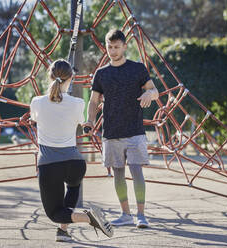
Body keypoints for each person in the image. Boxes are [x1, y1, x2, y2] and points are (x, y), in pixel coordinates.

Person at [30, 59, 113, 242]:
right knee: (73, 187)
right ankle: (63, 232)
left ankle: (88, 217)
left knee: (54, 213)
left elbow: (35, 118)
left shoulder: (37, 102)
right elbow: (76, 119)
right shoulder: (78, 103)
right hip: (75, 164)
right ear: (71, 79)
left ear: (49, 77)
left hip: (50, 165)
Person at [84, 29, 159, 228]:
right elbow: (93, 101)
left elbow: (155, 90)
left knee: (136, 171)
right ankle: (125, 214)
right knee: (118, 174)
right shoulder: (101, 74)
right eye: (110, 47)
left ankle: (141, 215)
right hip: (111, 131)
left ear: (125, 46)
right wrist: (90, 120)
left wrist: (148, 95)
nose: (113, 51)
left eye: (117, 47)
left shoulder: (137, 68)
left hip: (134, 130)